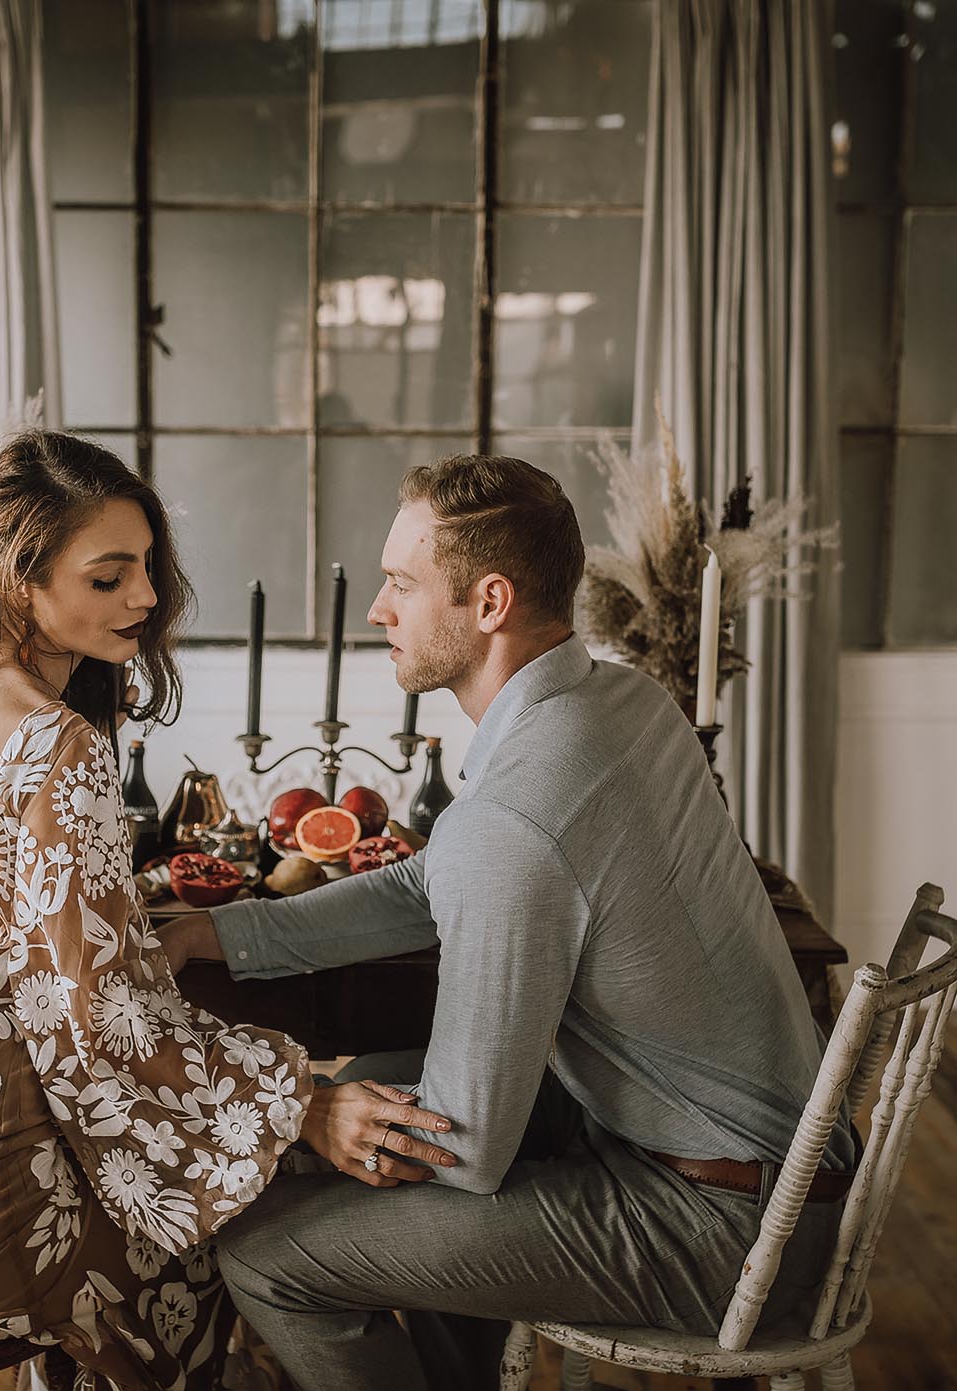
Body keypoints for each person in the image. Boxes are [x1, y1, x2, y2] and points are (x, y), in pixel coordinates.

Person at [162, 454, 859, 1391]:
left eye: (402, 584)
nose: (378, 609)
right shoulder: (623, 702)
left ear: (489, 602)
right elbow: (426, 885)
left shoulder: (520, 814)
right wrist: (219, 933)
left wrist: (292, 1120)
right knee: (377, 1085)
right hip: (775, 1173)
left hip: (724, 1232)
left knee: (267, 1254)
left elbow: (466, 1147)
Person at [0, 431, 455, 1390]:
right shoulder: (48, 738)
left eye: (147, 567)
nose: (147, 599)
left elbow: (47, 984)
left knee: (193, 1183)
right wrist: (306, 1106)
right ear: (11, 576)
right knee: (225, 1231)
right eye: (109, 577)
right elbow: (100, 1027)